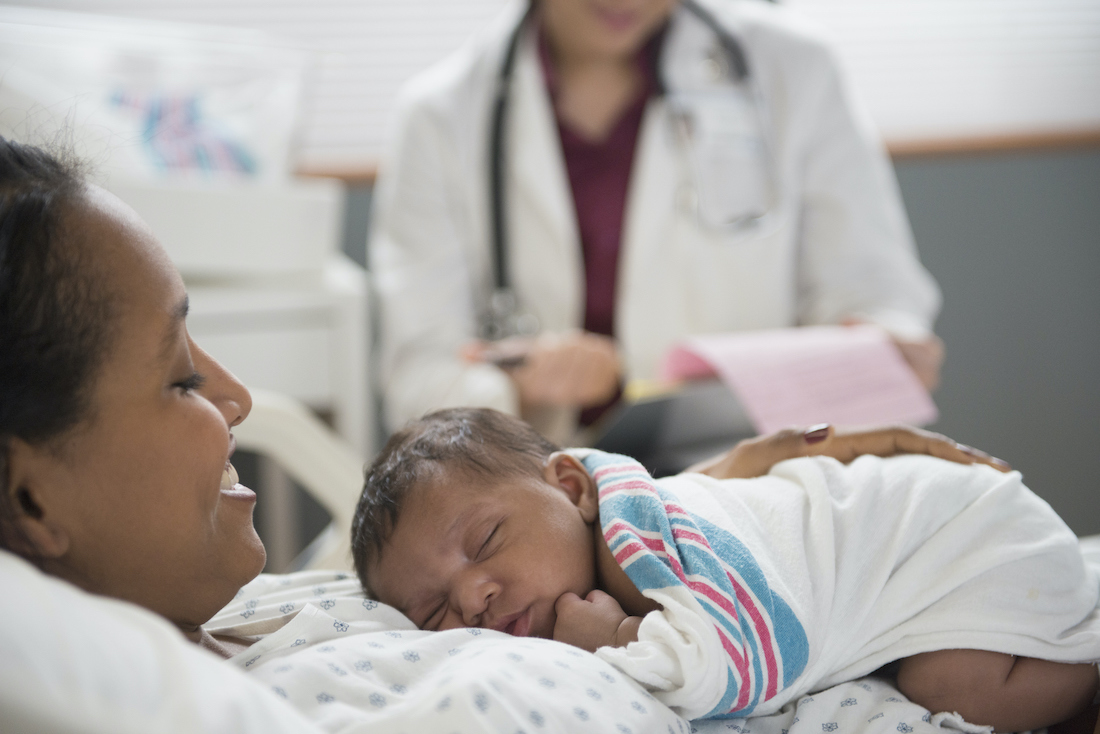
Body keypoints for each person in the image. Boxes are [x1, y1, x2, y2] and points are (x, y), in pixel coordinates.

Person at [0, 138, 979, 663]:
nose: (240, 397)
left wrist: (690, 507)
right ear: (31, 500)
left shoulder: (260, 617)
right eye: (179, 375)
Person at [371, 0, 943, 443]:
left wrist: (879, 347)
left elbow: (872, 290)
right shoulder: (438, 117)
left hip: (757, 469)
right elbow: (418, 374)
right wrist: (515, 389)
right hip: (551, 493)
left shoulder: (796, 70)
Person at [352, 407, 1100, 729]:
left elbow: (754, 658)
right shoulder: (608, 536)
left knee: (956, 688)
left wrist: (616, 642)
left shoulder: (648, 543)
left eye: (484, 543)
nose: (473, 597)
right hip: (928, 533)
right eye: (432, 612)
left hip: (966, 536)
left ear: (573, 488)